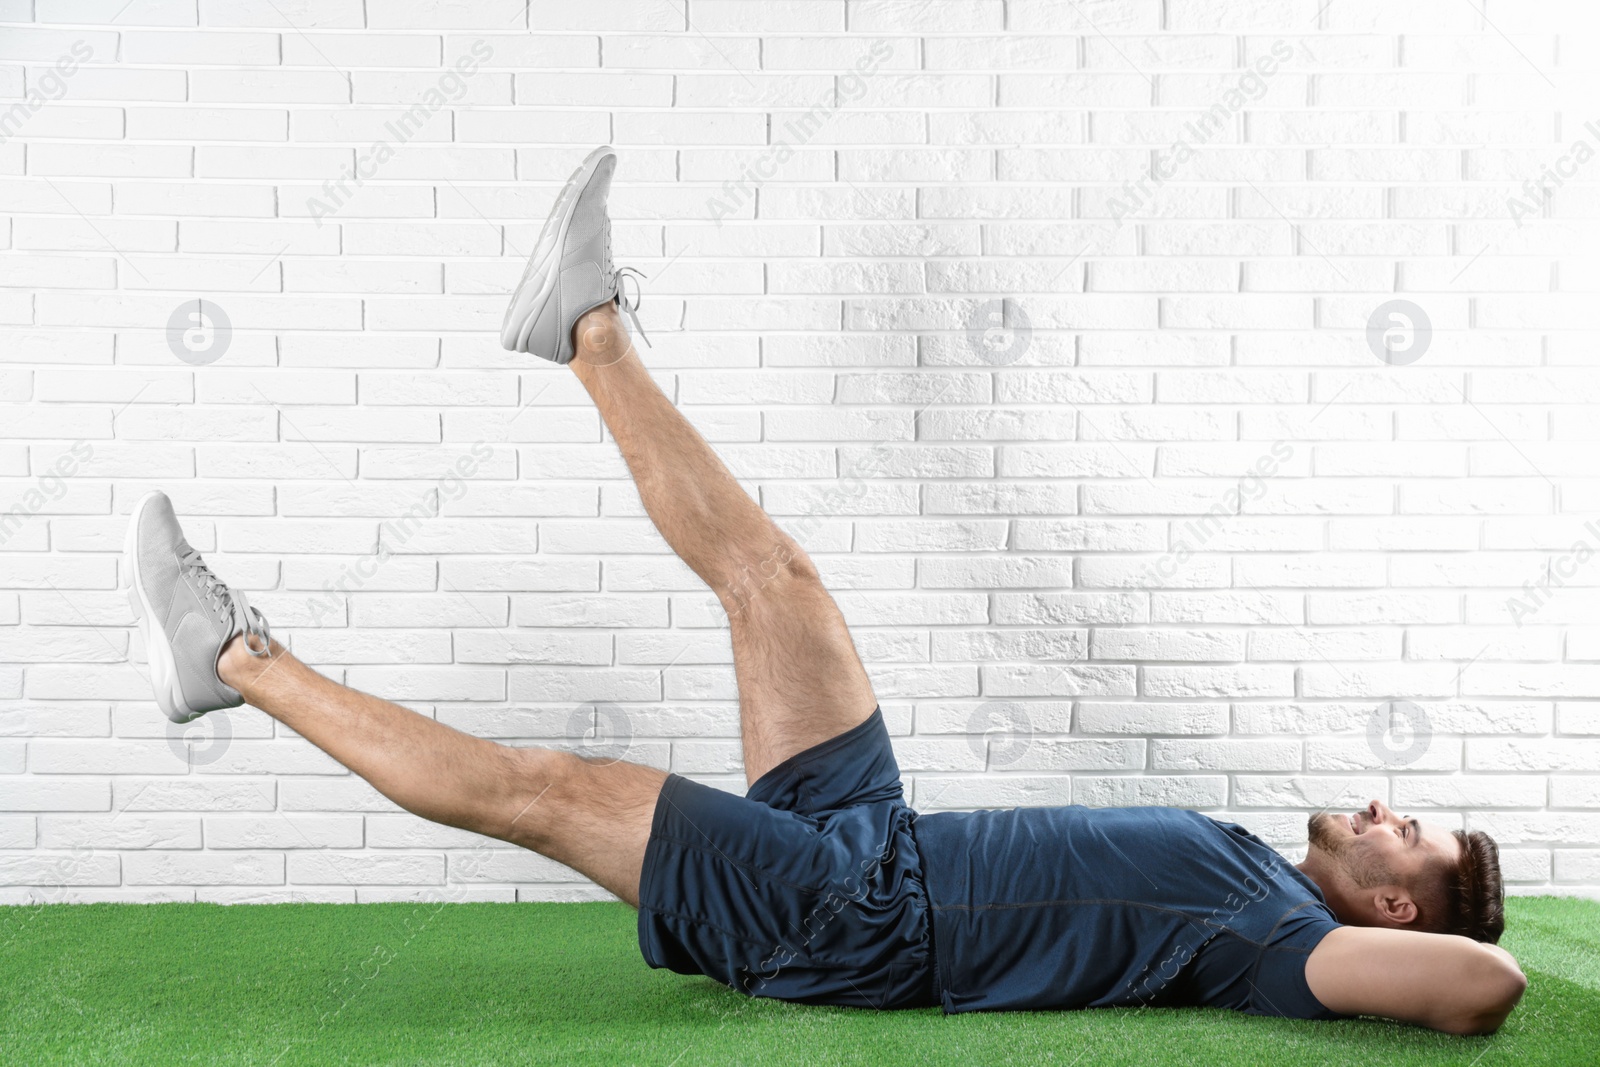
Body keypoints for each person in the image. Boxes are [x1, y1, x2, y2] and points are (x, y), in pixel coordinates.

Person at [124, 147, 1526, 1035]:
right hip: (876, 840)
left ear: (1395, 912)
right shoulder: (1256, 876)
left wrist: (1468, 950)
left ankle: (228, 657)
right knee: (771, 575)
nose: (1390, 811)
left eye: (1416, 842)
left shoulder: (1285, 944)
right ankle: (586, 327)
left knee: (542, 787)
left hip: (854, 920)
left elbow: (1488, 986)